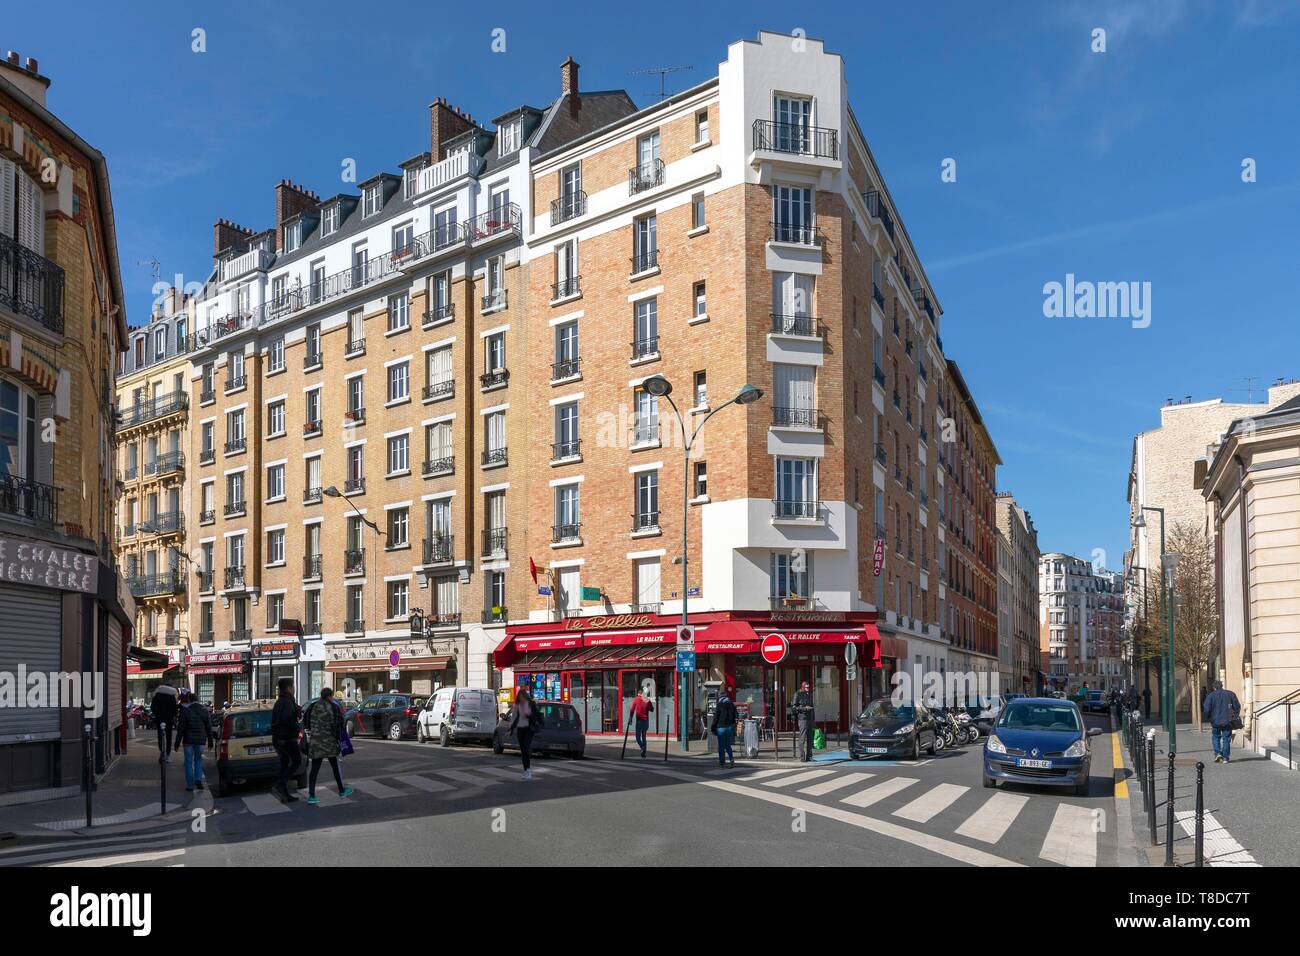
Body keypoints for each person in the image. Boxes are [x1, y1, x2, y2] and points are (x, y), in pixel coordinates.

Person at [302, 687, 354, 803]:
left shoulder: (312, 706)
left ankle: (311, 795)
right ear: (329, 696)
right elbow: (338, 726)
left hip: (316, 742)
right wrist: (338, 740)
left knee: (314, 769)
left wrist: (314, 731)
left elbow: (305, 721)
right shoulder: (334, 707)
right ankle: (341, 790)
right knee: (335, 767)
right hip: (329, 743)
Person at [173, 690, 213, 791]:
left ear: (189, 700)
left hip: (188, 740)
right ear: (198, 700)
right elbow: (209, 727)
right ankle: (198, 779)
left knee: (188, 762)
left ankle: (190, 785)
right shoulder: (204, 711)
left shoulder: (186, 711)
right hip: (200, 740)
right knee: (198, 760)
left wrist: (177, 743)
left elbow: (181, 729)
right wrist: (211, 741)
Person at [270, 678, 302, 801]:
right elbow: (287, 720)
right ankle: (280, 785)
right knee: (296, 761)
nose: (294, 689)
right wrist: (297, 727)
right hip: (287, 738)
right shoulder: (287, 702)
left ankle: (284, 793)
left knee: (284, 764)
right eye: (293, 687)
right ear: (289, 688)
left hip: (278, 738)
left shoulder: (279, 702)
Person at [507, 686, 545, 780]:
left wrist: (527, 712)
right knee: (523, 751)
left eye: (521, 696)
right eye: (519, 697)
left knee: (525, 748)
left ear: (525, 696)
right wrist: (510, 728)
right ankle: (525, 770)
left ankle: (528, 771)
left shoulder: (531, 703)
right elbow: (514, 717)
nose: (521, 698)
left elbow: (534, 714)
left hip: (529, 729)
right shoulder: (517, 705)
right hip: (520, 728)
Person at [1203, 681, 1241, 764]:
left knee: (1216, 736)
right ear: (1222, 686)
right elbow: (1237, 706)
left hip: (1215, 721)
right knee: (1226, 739)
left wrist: (1209, 717)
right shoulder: (1230, 694)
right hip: (1228, 720)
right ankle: (1225, 758)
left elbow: (1206, 709)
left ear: (1214, 687)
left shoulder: (1211, 696)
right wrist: (1235, 715)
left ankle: (1218, 753)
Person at [710, 686, 738, 769]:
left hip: (721, 728)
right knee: (728, 745)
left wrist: (713, 728)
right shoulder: (731, 705)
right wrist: (733, 725)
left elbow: (716, 718)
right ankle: (731, 759)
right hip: (729, 727)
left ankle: (722, 763)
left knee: (721, 747)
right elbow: (735, 716)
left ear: (720, 698)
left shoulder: (719, 705)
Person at [151, 683, 179, 761]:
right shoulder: (172, 697)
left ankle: (161, 751)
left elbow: (152, 708)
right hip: (169, 719)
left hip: (159, 719)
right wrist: (172, 716)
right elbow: (175, 710)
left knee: (160, 735)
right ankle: (168, 754)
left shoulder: (157, 695)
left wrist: (157, 714)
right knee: (168, 736)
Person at [792, 681, 815, 762]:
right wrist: (804, 708)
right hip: (802, 719)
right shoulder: (798, 694)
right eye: (806, 687)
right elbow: (794, 707)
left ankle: (809, 756)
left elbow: (813, 708)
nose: (808, 689)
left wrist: (813, 720)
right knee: (802, 739)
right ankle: (802, 757)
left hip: (809, 718)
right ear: (803, 687)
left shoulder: (809, 694)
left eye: (808, 687)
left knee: (810, 739)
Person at [629, 687, 654, 759]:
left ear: (639, 693)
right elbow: (652, 709)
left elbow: (632, 710)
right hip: (646, 722)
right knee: (644, 737)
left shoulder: (636, 699)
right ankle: (644, 752)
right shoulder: (647, 700)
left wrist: (630, 719)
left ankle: (642, 747)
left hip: (639, 721)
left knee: (637, 738)